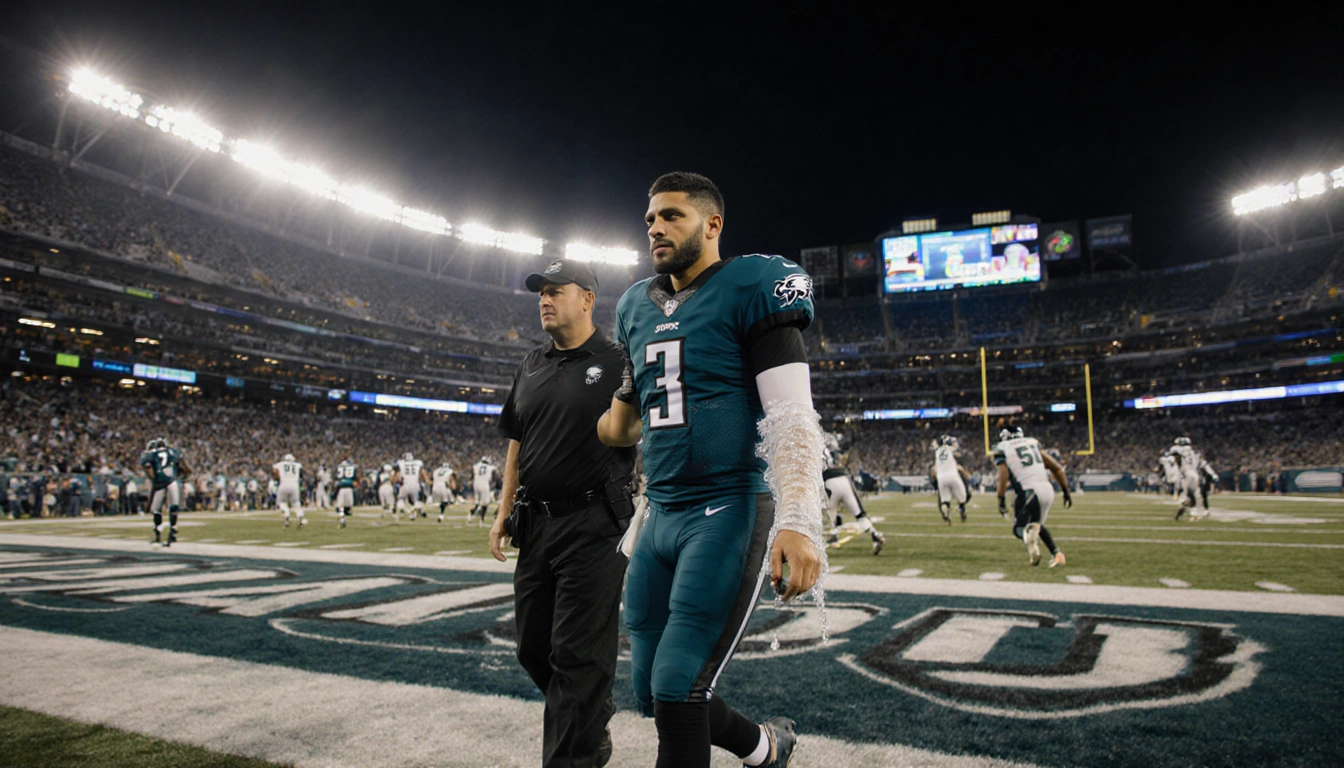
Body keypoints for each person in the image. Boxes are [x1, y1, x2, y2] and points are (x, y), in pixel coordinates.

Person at [597, 172, 824, 768]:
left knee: (678, 687)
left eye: (671, 215)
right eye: (650, 218)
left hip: (727, 506)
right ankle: (767, 747)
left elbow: (793, 415)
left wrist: (799, 518)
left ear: (712, 224)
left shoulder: (753, 282)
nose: (655, 227)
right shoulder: (632, 307)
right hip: (661, 511)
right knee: (653, 692)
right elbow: (629, 417)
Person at [488, 257, 636, 768]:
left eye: (556, 291)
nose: (544, 300)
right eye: (540, 293)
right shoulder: (530, 364)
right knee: (532, 649)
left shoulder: (620, 358)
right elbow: (517, 440)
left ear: (588, 299)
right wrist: (503, 508)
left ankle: (577, 750)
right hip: (537, 524)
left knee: (576, 660)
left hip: (596, 524)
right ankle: (592, 711)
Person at [994, 426, 1071, 567]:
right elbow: (1057, 468)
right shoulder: (1032, 443)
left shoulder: (1003, 447)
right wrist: (1066, 491)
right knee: (1038, 525)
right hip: (1047, 489)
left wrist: (1000, 498)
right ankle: (1057, 554)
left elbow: (1003, 476)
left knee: (1019, 530)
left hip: (1028, 491)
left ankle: (1030, 538)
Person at [822, 432, 886, 554]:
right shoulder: (834, 448)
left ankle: (833, 533)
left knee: (830, 512)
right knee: (860, 515)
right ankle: (875, 534)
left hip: (829, 481)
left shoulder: (815, 449)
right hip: (845, 478)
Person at [140, 437, 190, 547]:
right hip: (172, 480)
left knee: (156, 510)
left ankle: (158, 534)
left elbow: (147, 466)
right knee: (173, 507)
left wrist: (153, 478)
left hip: (159, 482)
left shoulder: (150, 454)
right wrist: (182, 474)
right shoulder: (173, 452)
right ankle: (173, 532)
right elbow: (184, 466)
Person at [933, 434, 971, 524]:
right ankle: (961, 509)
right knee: (962, 497)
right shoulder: (950, 449)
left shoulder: (937, 452)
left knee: (945, 499)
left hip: (941, 477)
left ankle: (945, 510)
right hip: (952, 475)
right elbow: (958, 454)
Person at [394, 452, 428, 523]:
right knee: (416, 501)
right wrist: (426, 480)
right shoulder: (418, 463)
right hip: (415, 485)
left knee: (400, 499)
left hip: (405, 484)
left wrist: (398, 481)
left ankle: (397, 518)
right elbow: (421, 473)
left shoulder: (400, 463)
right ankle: (414, 514)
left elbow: (398, 476)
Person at [274, 453, 305, 528]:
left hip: (284, 483)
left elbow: (275, 470)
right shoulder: (297, 465)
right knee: (296, 503)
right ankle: (300, 516)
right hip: (294, 485)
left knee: (281, 502)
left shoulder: (280, 464)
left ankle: (287, 515)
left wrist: (279, 478)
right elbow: (301, 473)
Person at [471, 456, 499, 526]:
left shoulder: (476, 466)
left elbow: (472, 475)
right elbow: (496, 475)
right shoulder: (491, 467)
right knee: (485, 504)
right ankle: (481, 520)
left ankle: (470, 516)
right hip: (484, 484)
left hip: (476, 484)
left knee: (477, 503)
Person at [334, 457, 358, 528]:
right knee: (348, 506)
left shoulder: (339, 467)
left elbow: (337, 477)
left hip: (341, 488)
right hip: (349, 488)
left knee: (340, 506)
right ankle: (343, 518)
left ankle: (342, 519)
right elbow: (354, 478)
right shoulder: (352, 467)